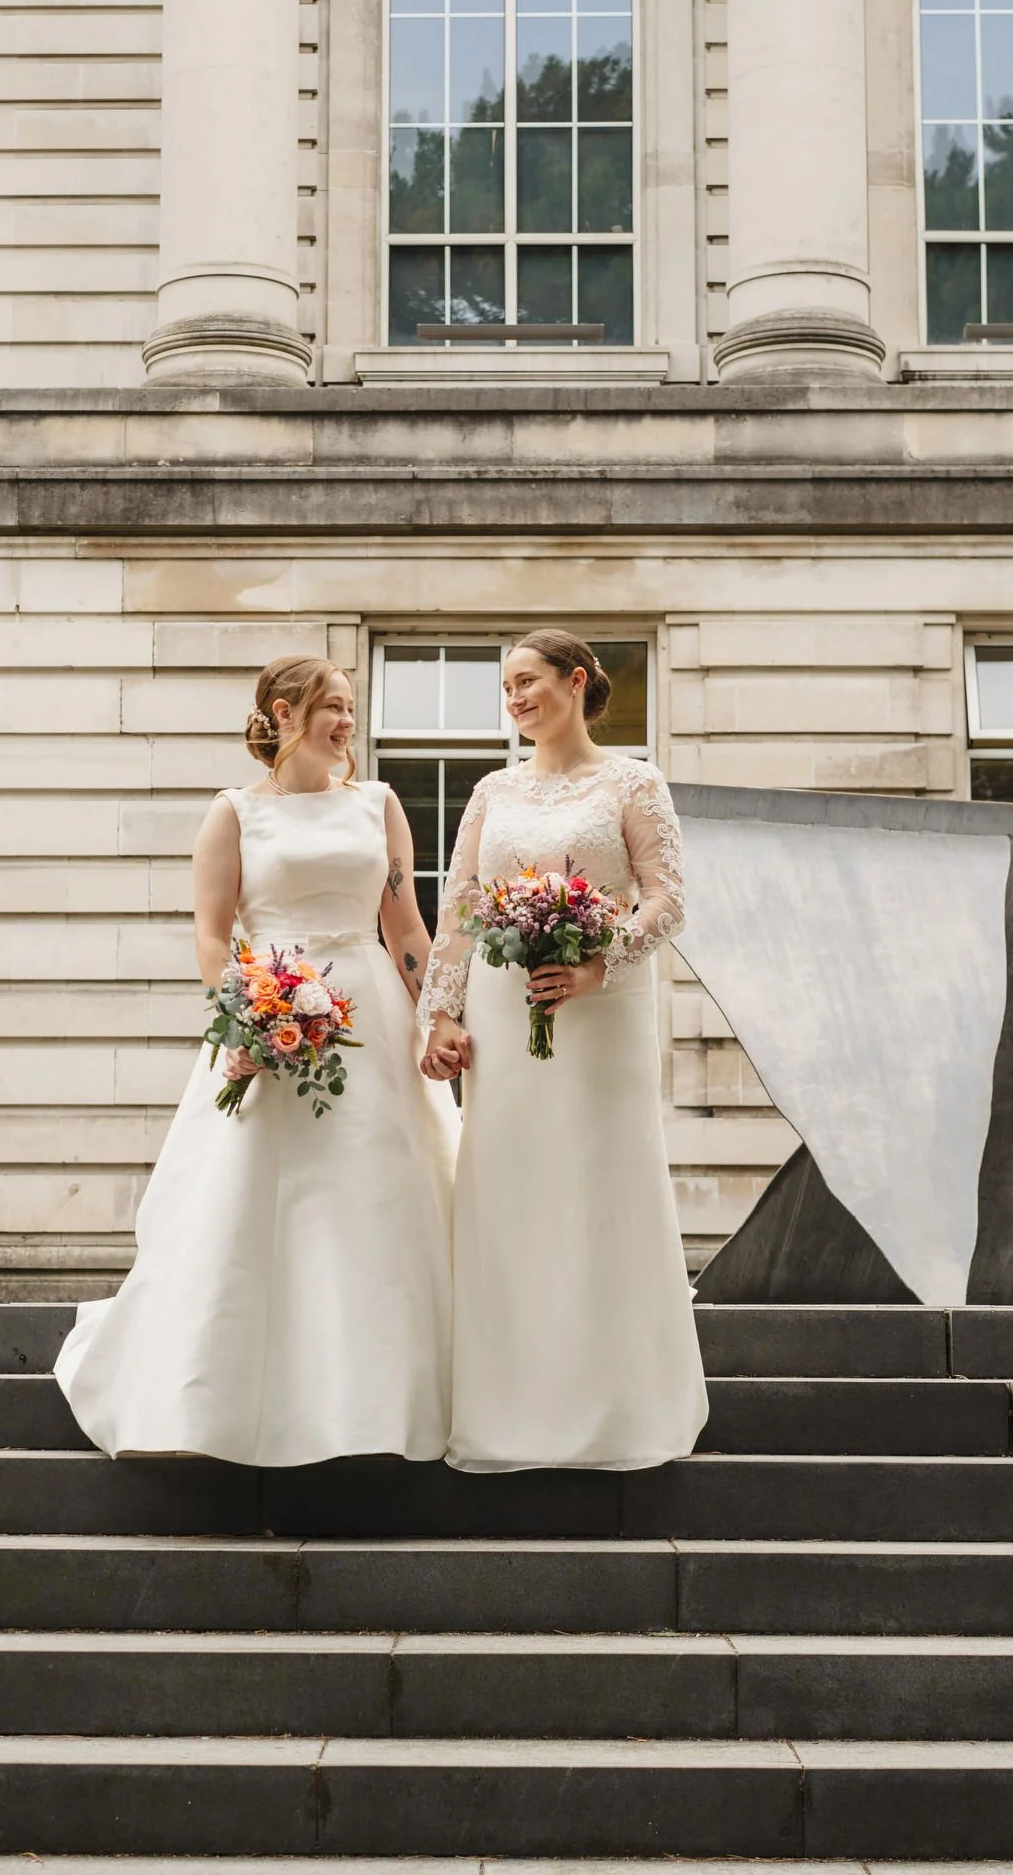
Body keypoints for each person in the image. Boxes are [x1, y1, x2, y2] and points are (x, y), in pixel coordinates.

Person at [56, 654, 458, 1464]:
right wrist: (255, 1008)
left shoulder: (379, 805)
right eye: (332, 707)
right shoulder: (234, 812)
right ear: (282, 714)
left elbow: (407, 929)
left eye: (350, 707)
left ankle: (376, 1405)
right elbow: (211, 937)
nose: (347, 722)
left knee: (373, 1195)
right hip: (272, 1014)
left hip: (369, 1018)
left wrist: (437, 1019)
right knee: (255, 1197)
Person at [419, 629, 707, 1473]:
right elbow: (461, 907)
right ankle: (507, 1405)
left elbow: (668, 901)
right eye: (505, 686)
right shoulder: (491, 791)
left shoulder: (632, 782)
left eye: (527, 681)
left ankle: (615, 1406)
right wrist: (440, 1016)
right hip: (506, 1018)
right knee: (509, 1187)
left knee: (597, 1186)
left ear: (576, 682)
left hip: (603, 1011)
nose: (514, 698)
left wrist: (595, 962)